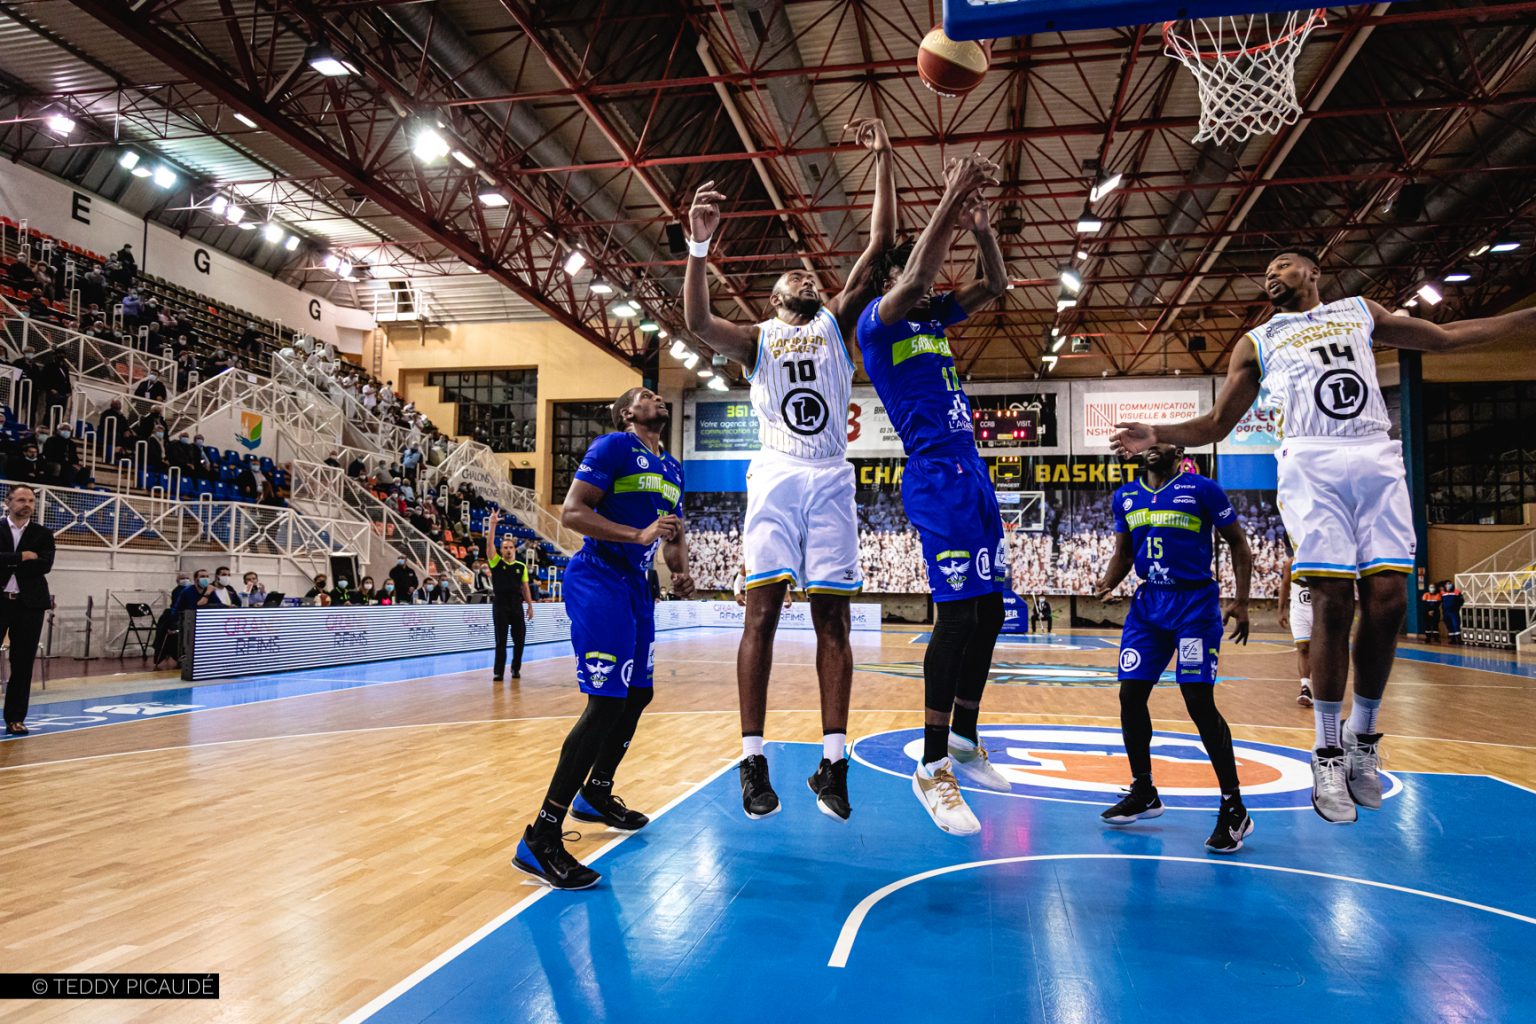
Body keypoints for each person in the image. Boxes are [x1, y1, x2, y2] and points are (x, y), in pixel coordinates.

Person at [1110, 246, 1536, 824]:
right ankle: (1328, 748)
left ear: (1313, 272)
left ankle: (1363, 736)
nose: (1270, 276)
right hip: (1310, 461)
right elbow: (1215, 424)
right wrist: (1155, 429)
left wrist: (1527, 317)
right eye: (1265, 274)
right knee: (1334, 602)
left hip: (1374, 455)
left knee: (1388, 601)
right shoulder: (1257, 340)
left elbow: (1447, 336)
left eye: (1281, 266)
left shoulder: (1360, 309)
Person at [682, 118, 896, 822]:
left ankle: (834, 767)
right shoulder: (755, 339)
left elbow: (879, 247)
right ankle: (753, 761)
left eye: (810, 268)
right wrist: (699, 245)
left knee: (832, 621)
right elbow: (696, 321)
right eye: (791, 271)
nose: (805, 267)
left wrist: (884, 160)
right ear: (773, 297)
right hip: (775, 475)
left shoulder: (836, 319)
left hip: (832, 475)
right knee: (763, 615)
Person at [853, 153, 1008, 836]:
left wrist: (979, 226)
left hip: (971, 472)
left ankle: (968, 739)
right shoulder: (877, 327)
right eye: (911, 277)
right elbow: (914, 270)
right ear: (888, 284)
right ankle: (932, 766)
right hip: (934, 476)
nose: (926, 282)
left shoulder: (931, 322)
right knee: (955, 619)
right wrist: (949, 194)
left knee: (993, 610)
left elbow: (996, 284)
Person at [511, 387, 694, 890]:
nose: (655, 397)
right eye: (645, 396)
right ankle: (542, 836)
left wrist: (679, 570)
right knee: (606, 704)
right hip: (598, 578)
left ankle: (597, 791)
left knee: (639, 693)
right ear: (627, 414)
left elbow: (672, 532)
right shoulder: (613, 446)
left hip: (638, 585)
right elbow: (572, 513)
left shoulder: (674, 469)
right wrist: (636, 536)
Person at [1093, 443, 1255, 853]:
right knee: (1130, 695)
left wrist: (1241, 599)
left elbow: (1238, 544)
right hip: (1149, 607)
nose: (1152, 449)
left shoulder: (1204, 490)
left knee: (1198, 702)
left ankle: (1234, 807)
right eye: (1146, 444)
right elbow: (1125, 552)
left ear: (1178, 449)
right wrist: (1110, 581)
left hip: (1194, 607)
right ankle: (1144, 790)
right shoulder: (1125, 497)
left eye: (1161, 442)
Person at [0, 485, 55, 735]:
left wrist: (7, 559)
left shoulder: (43, 533)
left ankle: (15, 718)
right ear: (8, 502)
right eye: (21, 499)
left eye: (31, 500)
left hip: (29, 604)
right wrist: (22, 556)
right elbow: (30, 561)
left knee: (22, 664)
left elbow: (44, 565)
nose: (27, 504)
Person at [486, 509, 535, 682]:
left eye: (510, 547)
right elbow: (489, 546)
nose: (507, 550)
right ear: (501, 550)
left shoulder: (521, 566)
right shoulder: (496, 562)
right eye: (504, 547)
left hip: (516, 604)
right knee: (501, 641)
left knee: (520, 639)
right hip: (500, 604)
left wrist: (529, 605)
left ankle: (515, 668)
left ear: (514, 549)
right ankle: (498, 672)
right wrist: (493, 525)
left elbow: (525, 587)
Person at [1279, 558, 1315, 706]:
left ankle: (1324, 687)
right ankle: (1305, 687)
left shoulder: (1319, 558)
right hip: (1299, 610)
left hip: (1320, 609)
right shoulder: (1290, 564)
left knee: (1323, 651)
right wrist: (1281, 610)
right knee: (1303, 648)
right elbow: (1285, 585)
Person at [1439, 580, 1464, 644]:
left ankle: (1459, 639)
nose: (1448, 585)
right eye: (1446, 584)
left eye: (1449, 584)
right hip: (1446, 612)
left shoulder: (1456, 592)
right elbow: (1440, 601)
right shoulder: (1442, 593)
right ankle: (1452, 639)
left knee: (1456, 624)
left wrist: (1456, 607)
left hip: (1454, 612)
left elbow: (1461, 601)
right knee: (1449, 625)